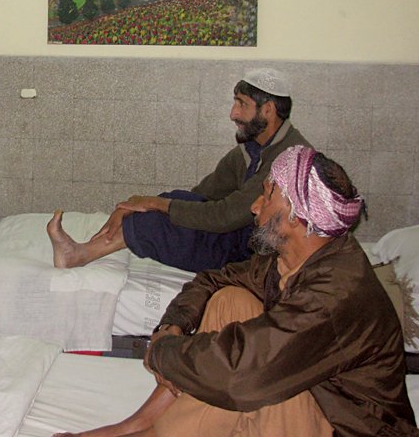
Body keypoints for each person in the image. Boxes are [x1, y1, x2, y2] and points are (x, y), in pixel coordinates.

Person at [54, 145, 416, 437]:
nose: (256, 207)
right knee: (230, 301)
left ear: (298, 216)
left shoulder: (336, 294)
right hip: (311, 402)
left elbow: (241, 373)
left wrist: (164, 353)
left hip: (342, 425)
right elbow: (214, 279)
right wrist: (174, 326)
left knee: (250, 379)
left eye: (268, 196)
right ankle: (139, 427)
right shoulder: (294, 258)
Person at [49, 68, 311, 273]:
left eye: (242, 104)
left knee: (152, 221)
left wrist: (153, 206)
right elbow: (200, 195)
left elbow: (226, 216)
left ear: (268, 109)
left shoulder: (289, 158)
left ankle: (79, 255)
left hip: (257, 253)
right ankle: (81, 252)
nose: (233, 113)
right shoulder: (251, 149)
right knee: (168, 204)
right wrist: (133, 206)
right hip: (240, 234)